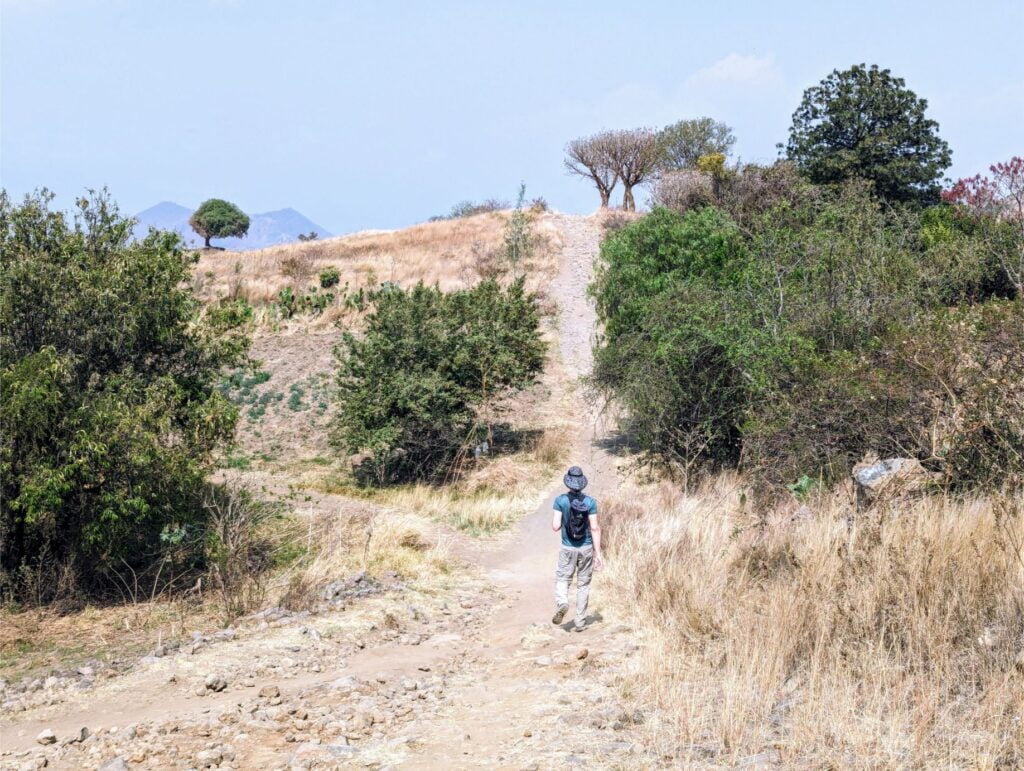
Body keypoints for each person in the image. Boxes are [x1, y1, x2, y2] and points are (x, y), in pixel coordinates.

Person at [551, 466, 603, 632]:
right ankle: (580, 622)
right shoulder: (590, 502)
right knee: (583, 584)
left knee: (562, 578)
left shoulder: (560, 500)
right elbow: (594, 528)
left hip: (567, 547)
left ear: (568, 482)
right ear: (582, 483)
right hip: (586, 547)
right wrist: (598, 554)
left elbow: (555, 526)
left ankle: (562, 603)